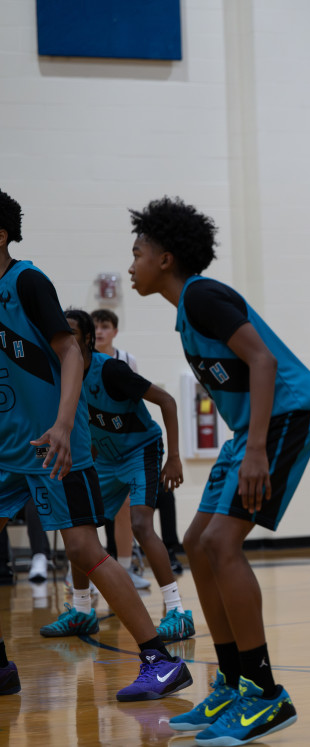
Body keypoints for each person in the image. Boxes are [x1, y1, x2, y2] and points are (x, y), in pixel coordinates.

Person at [127, 196, 310, 744]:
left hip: (285, 416)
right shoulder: (187, 311)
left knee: (222, 541)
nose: (132, 265)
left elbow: (263, 360)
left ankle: (265, 693)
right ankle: (233, 682)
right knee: (197, 542)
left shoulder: (202, 296)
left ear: (165, 259)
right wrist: (248, 441)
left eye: (138, 253)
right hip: (251, 431)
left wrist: (256, 447)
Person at [0, 188, 192, 700]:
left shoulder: (27, 281)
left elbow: (68, 353)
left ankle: (160, 658)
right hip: (8, 445)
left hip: (55, 441)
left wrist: (64, 425)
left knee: (86, 547)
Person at [39, 309, 195, 643]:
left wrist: (174, 457)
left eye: (70, 331)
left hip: (141, 450)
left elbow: (167, 401)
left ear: (87, 339)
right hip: (106, 459)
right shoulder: (61, 374)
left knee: (140, 525)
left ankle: (178, 612)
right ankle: (82, 611)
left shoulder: (111, 370)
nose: (62, 336)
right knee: (79, 526)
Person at [90, 308, 154, 590]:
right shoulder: (80, 362)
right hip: (93, 444)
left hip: (122, 447)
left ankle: (126, 568)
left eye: (105, 326)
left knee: (125, 507)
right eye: (95, 326)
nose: (99, 331)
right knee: (88, 510)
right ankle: (82, 571)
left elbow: (135, 403)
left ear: (115, 331)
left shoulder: (127, 361)